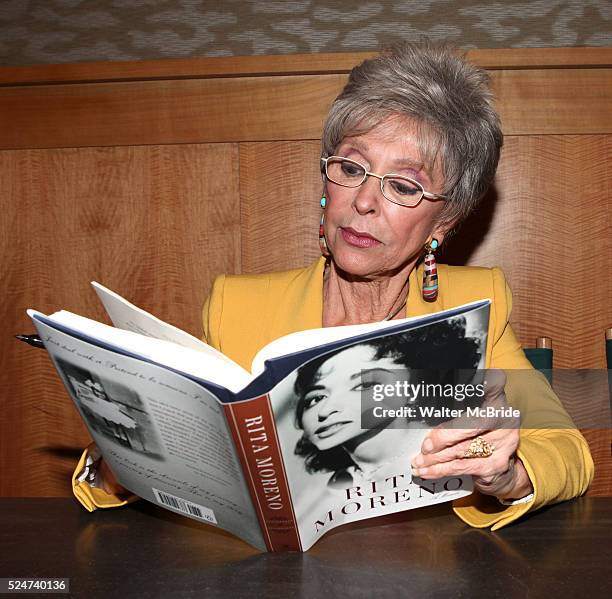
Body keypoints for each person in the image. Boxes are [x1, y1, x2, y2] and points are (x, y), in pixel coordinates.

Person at [73, 42, 593, 530]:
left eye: (404, 186)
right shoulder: (238, 307)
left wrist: (504, 471)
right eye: (351, 167)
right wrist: (122, 451)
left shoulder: (474, 306)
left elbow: (568, 452)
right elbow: (169, 453)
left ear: (445, 221)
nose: (364, 201)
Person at [292, 317, 483, 488]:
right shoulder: (338, 484)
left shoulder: (458, 448)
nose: (325, 410)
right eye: (316, 398)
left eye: (364, 385)